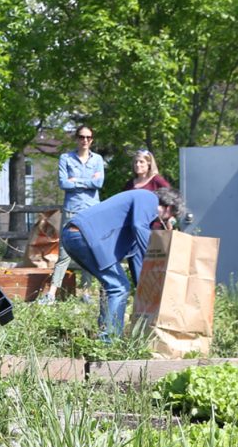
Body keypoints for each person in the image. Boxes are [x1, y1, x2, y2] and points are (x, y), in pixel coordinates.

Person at [60, 188, 185, 339]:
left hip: (74, 237)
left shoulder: (136, 221)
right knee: (118, 287)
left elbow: (136, 259)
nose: (162, 223)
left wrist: (147, 288)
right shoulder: (148, 197)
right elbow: (140, 227)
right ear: (169, 208)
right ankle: (109, 340)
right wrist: (157, 260)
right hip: (82, 236)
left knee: (112, 285)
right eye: (167, 218)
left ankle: (104, 335)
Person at [39, 125, 104, 304]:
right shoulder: (66, 158)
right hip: (72, 210)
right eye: (82, 137)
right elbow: (63, 183)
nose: (85, 140)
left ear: (92, 140)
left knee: (89, 250)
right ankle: (51, 293)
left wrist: (76, 181)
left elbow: (99, 183)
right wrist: (87, 182)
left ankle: (86, 292)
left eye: (88, 137)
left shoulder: (98, 159)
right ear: (76, 138)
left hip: (92, 210)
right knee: (64, 251)